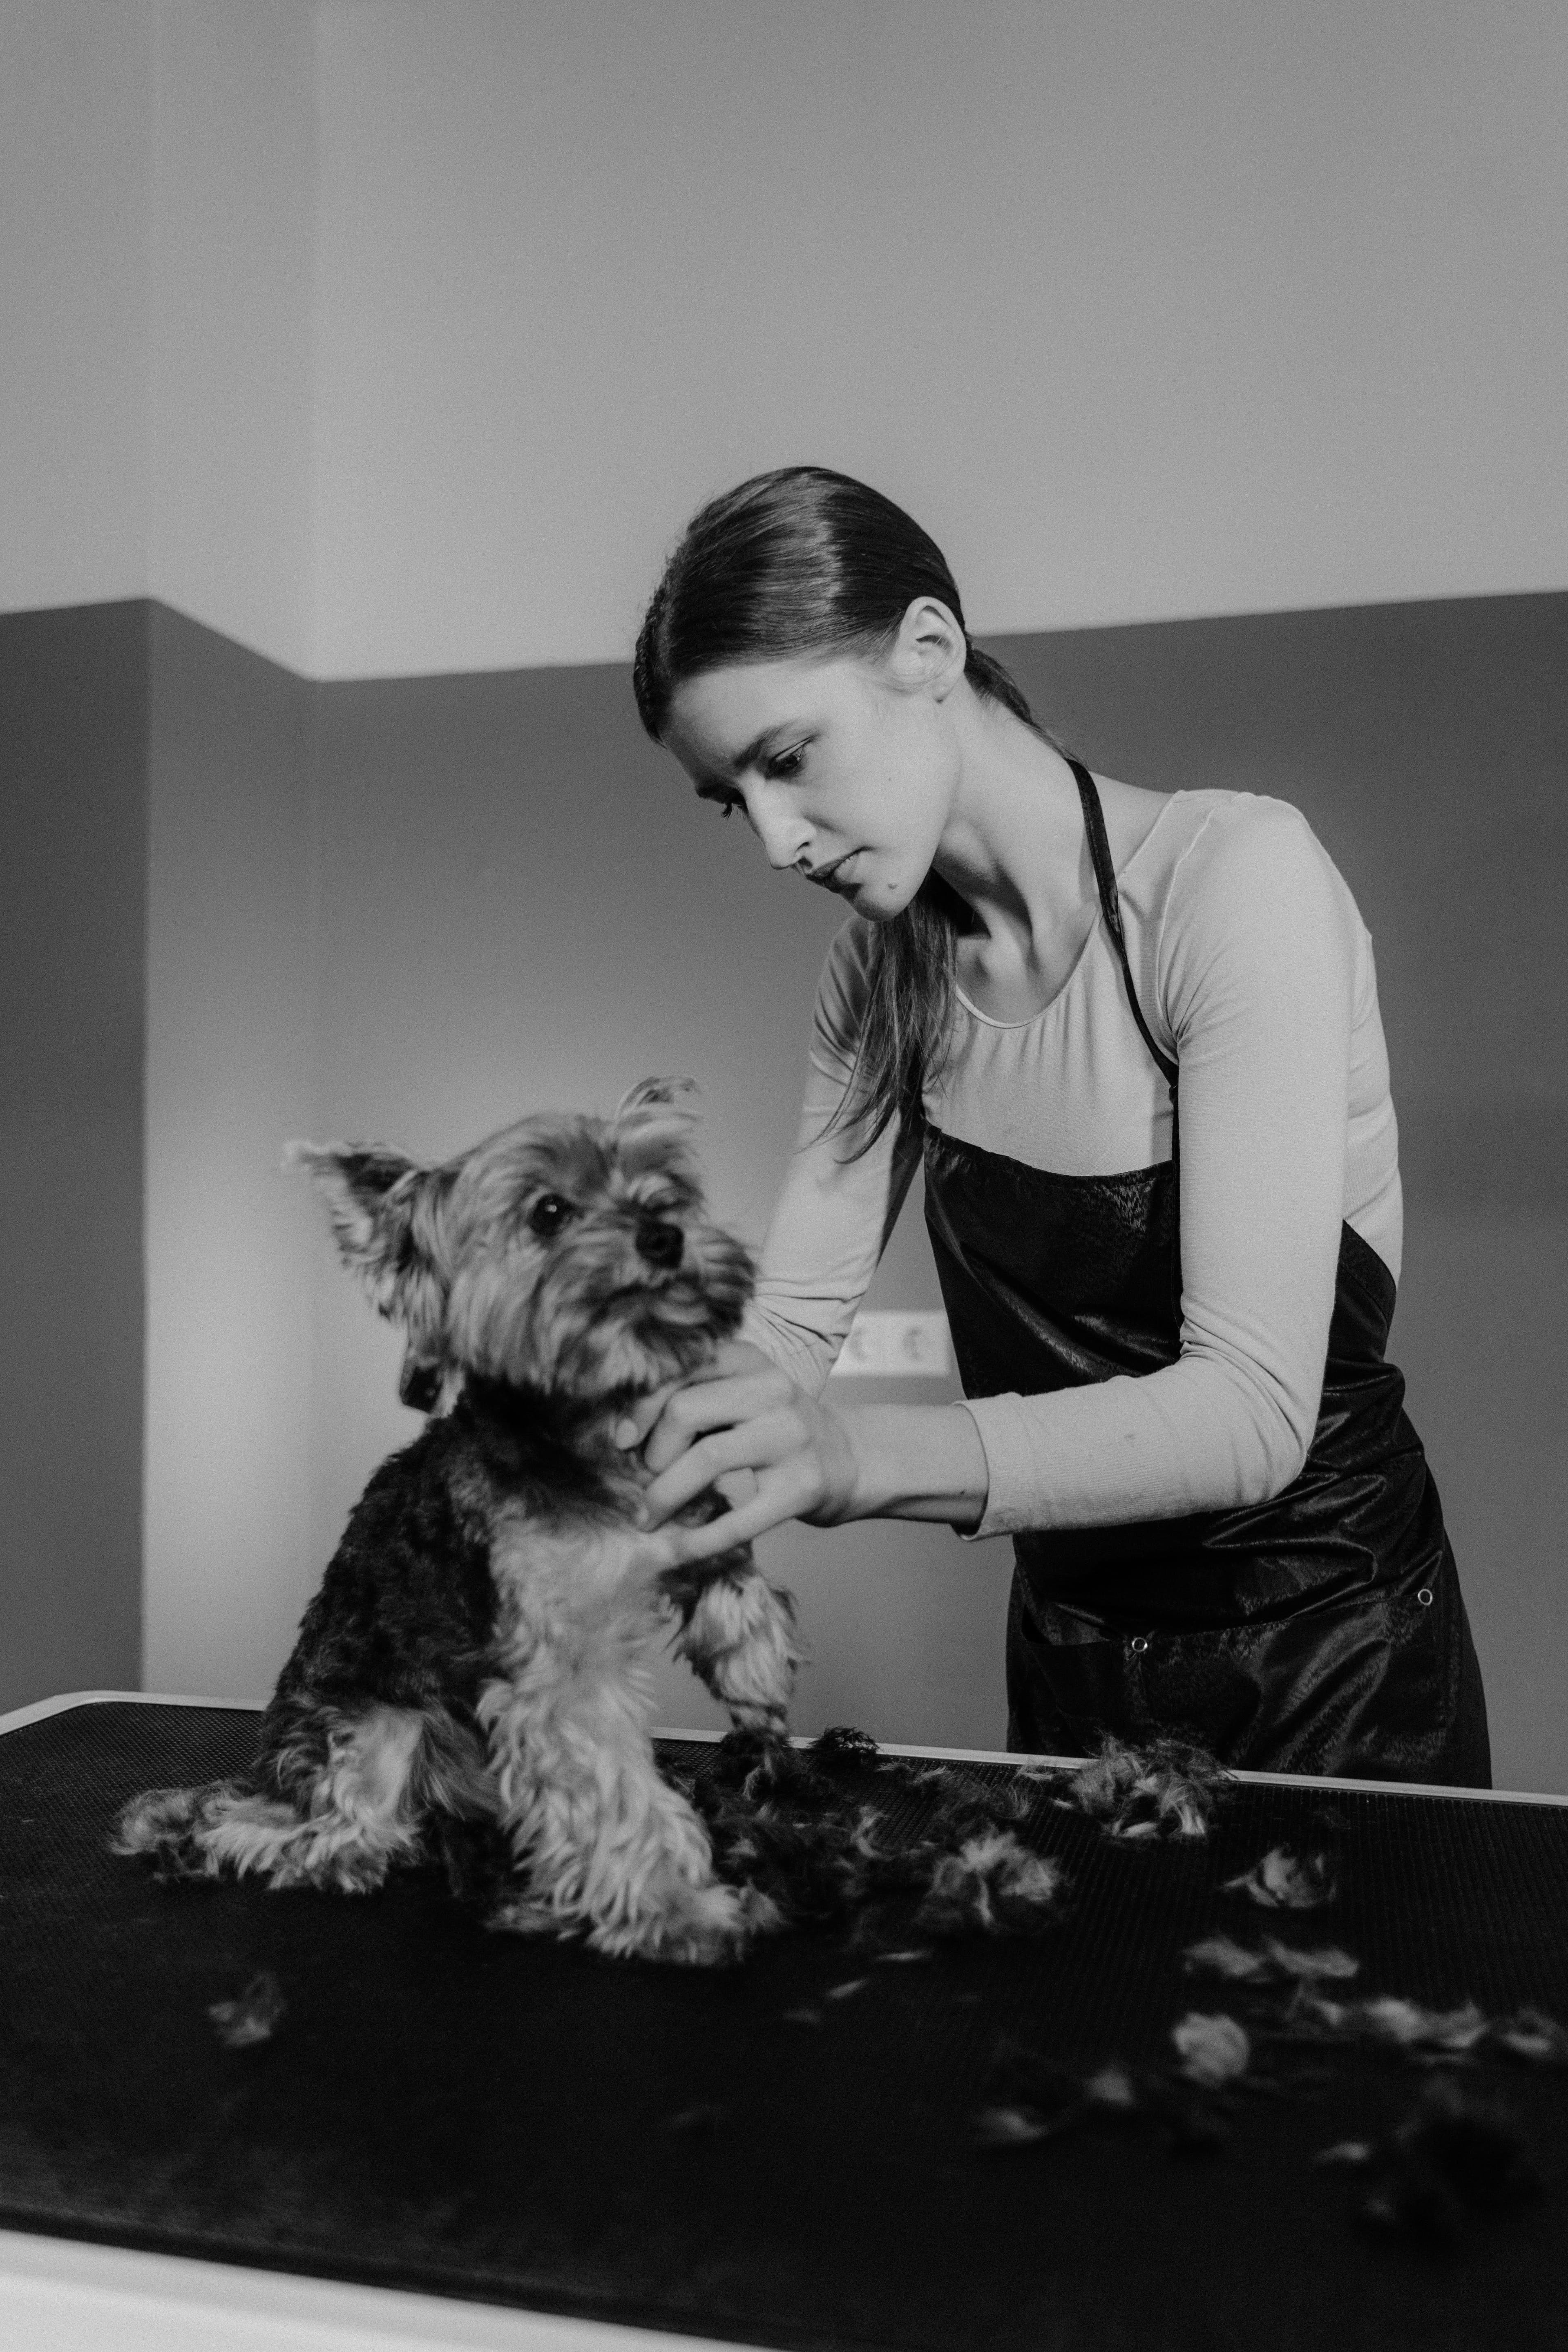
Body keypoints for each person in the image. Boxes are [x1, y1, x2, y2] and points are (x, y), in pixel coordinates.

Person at [621, 465, 1490, 1784]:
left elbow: (1253, 1414)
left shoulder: (1232, 885)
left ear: (928, 650)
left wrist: (855, 1457)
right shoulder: (876, 978)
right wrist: (641, 1430)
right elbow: (789, 1330)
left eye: (789, 759)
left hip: (1334, 1659)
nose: (778, 842)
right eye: (734, 798)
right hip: (1074, 1660)